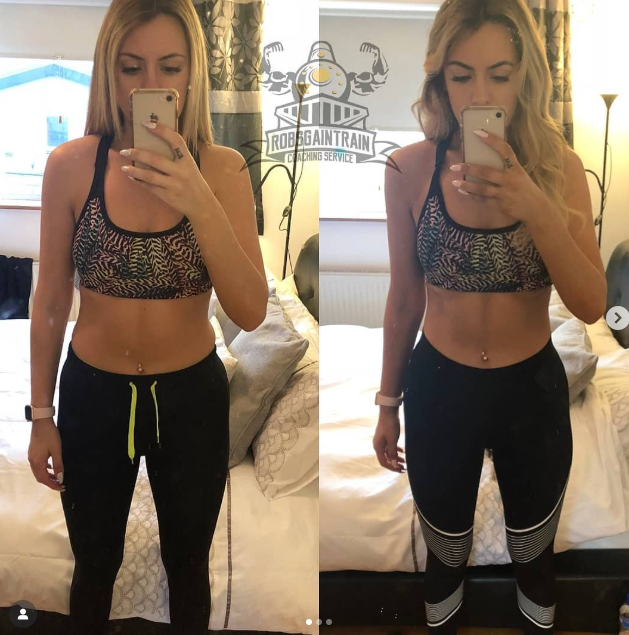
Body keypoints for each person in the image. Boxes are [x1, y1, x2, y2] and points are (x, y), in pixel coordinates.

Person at [26, 1, 267, 633]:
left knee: (187, 567)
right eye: (131, 67)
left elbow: (250, 311)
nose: (150, 86)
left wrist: (197, 198)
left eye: (170, 67)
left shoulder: (224, 170)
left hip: (191, 399)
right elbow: (49, 300)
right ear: (109, 72)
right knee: (94, 564)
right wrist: (41, 416)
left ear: (193, 75)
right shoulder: (70, 166)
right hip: (91, 395)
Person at [372, 0, 607, 633]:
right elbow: (404, 298)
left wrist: (535, 202)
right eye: (461, 75)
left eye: (499, 75)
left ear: (525, 75)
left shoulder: (559, 168)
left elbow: (590, 303)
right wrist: (388, 404)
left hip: (530, 388)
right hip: (439, 385)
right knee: (445, 556)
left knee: (534, 556)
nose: (480, 94)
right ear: (439, 79)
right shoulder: (408, 169)